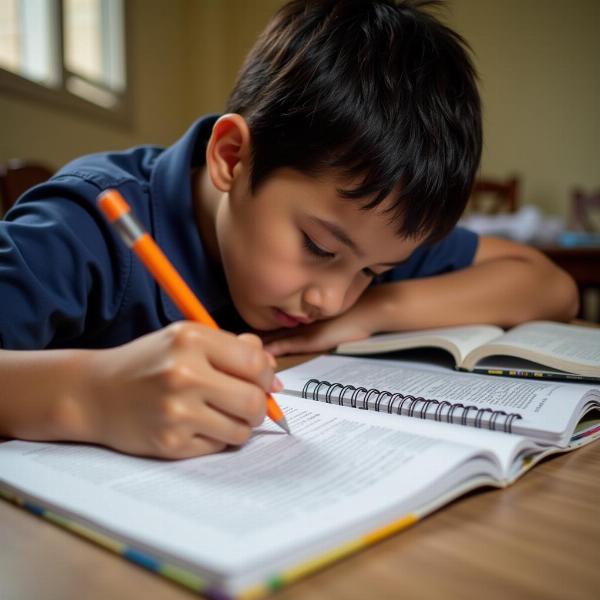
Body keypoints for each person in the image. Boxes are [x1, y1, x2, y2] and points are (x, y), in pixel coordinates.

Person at [0, 0, 577, 459]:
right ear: (231, 157)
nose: (332, 298)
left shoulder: (362, 229)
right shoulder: (87, 225)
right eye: (318, 248)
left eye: (374, 273)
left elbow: (549, 285)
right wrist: (89, 395)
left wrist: (374, 310)